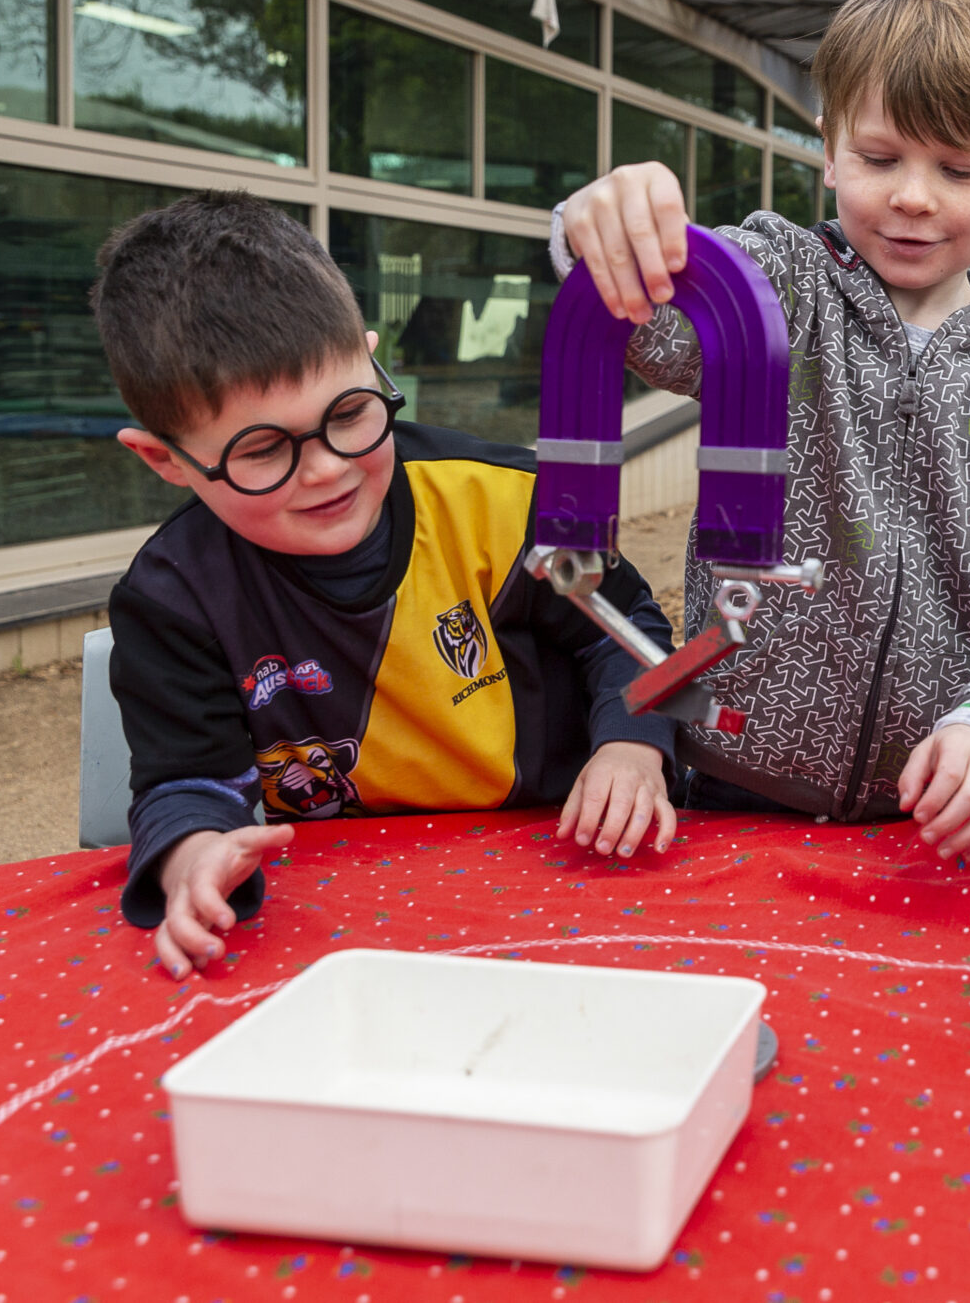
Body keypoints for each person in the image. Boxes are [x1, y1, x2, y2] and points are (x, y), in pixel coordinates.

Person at [550, 0, 970, 863]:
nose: (912, 195)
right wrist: (603, 230)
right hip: (725, 782)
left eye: (960, 168)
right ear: (828, 147)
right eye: (878, 157)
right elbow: (654, 332)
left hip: (925, 804)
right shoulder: (775, 286)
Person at [95, 192, 679, 979]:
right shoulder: (173, 597)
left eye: (349, 412)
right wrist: (193, 854)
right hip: (338, 921)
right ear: (164, 459)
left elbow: (626, 633)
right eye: (262, 451)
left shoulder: (506, 500)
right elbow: (187, 782)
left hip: (562, 867)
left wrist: (632, 747)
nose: (327, 468)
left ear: (373, 361)